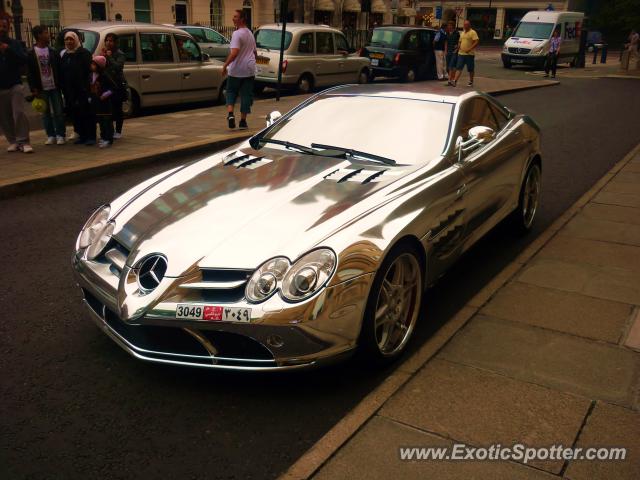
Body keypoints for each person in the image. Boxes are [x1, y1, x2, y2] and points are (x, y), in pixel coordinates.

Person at [27, 25, 66, 145]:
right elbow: (30, 72)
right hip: (41, 87)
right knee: (45, 113)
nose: (48, 35)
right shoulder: (31, 53)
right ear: (39, 35)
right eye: (45, 33)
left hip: (54, 86)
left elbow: (59, 69)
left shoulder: (53, 51)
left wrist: (61, 84)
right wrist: (33, 88)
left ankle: (60, 134)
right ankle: (51, 135)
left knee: (58, 112)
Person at [0, 15, 33, 153]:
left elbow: (23, 60)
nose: (2, 29)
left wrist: (8, 50)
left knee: (18, 113)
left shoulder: (15, 44)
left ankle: (23, 141)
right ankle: (13, 141)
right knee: (4, 116)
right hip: (1, 86)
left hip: (15, 84)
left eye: (4, 26)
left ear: (9, 28)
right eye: (0, 26)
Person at [222, 9, 257, 130]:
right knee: (246, 95)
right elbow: (254, 52)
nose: (233, 18)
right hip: (249, 69)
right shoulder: (250, 33)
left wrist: (225, 65)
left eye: (236, 17)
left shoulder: (237, 34)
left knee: (231, 91)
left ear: (242, 19)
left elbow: (234, 52)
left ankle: (231, 115)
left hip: (236, 69)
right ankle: (243, 121)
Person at [60, 31, 94, 145]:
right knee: (76, 113)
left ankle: (91, 136)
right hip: (70, 90)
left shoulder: (84, 53)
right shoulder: (65, 55)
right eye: (67, 39)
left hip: (83, 89)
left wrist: (86, 87)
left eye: (71, 39)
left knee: (86, 113)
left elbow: (88, 71)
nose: (69, 42)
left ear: (76, 40)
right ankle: (82, 135)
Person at [102, 32, 126, 139]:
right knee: (108, 108)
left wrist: (110, 57)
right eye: (107, 40)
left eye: (111, 41)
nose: (108, 42)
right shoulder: (104, 53)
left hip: (117, 84)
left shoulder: (120, 54)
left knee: (117, 108)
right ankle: (109, 131)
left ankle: (118, 131)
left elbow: (118, 67)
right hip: (107, 85)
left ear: (115, 42)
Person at [89, 55, 116, 148]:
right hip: (97, 102)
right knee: (100, 121)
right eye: (91, 64)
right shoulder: (91, 75)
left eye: (94, 64)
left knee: (106, 122)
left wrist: (106, 94)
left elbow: (113, 87)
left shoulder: (104, 76)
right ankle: (103, 137)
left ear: (99, 66)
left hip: (105, 103)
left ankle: (108, 139)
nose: (91, 66)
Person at [450, 20, 479, 87]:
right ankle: (455, 81)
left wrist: (470, 49)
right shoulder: (462, 33)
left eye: (466, 25)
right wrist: (457, 48)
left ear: (469, 25)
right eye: (464, 25)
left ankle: (471, 81)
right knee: (459, 67)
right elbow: (460, 42)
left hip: (469, 54)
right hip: (461, 53)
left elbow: (476, 41)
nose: (465, 26)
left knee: (470, 69)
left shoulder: (473, 32)